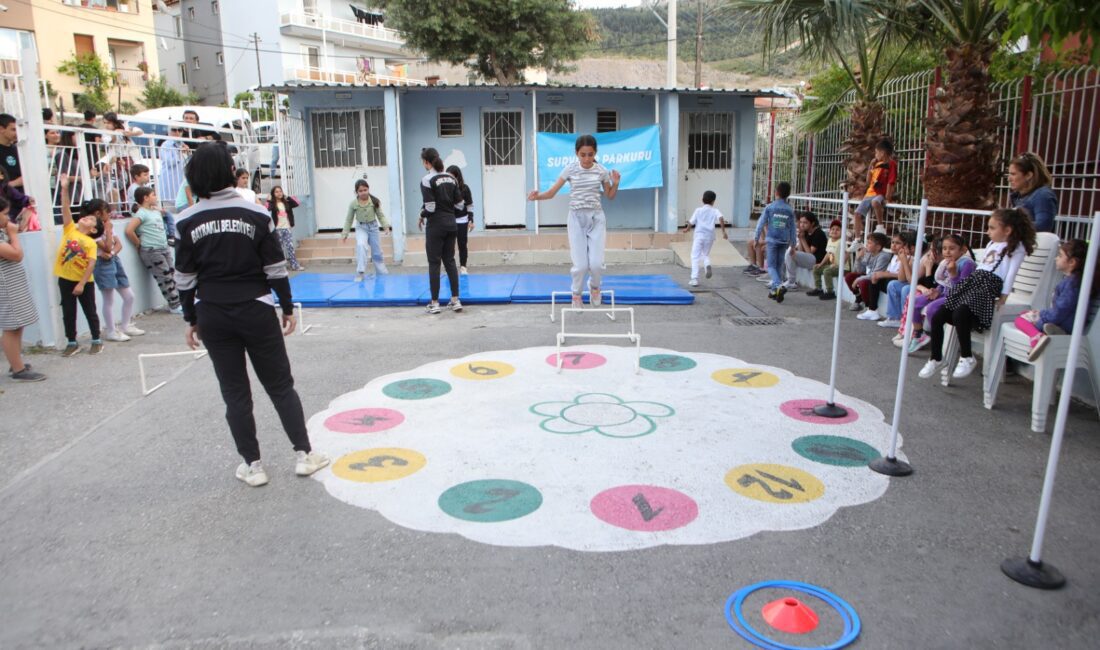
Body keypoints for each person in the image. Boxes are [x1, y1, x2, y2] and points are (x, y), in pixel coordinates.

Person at [174, 142, 329, 487]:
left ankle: (252, 465)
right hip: (256, 308)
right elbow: (274, 267)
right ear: (231, 172)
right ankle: (304, 455)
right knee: (280, 385)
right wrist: (287, 307)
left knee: (234, 392)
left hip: (212, 311)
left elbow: (184, 277)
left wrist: (190, 318)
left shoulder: (185, 220)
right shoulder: (257, 213)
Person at [920, 208, 1037, 380]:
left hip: (988, 284)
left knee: (961, 312)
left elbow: (1011, 273)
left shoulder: (1015, 248)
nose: (987, 231)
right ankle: (936, 358)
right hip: (974, 281)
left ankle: (967, 357)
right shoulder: (992, 244)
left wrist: (1003, 297)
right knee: (939, 316)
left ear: (1007, 230)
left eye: (992, 228)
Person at [528, 134, 621, 308]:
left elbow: (609, 196)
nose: (587, 159)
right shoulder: (570, 169)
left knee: (596, 264)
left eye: (590, 154)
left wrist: (615, 183)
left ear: (595, 153)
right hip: (576, 218)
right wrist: (537, 197)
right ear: (576, 153)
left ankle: (595, 287)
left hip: (596, 218)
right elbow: (552, 192)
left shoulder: (601, 170)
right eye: (583, 155)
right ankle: (576, 294)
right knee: (580, 265)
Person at [1011, 239, 1098, 361]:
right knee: (1027, 314)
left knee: (1020, 319)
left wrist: (1042, 317)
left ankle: (1036, 337)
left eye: (1060, 256)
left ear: (1072, 262)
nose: (1056, 258)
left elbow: (1060, 310)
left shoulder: (1072, 284)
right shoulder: (1074, 281)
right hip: (1064, 322)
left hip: (1063, 323)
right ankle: (1049, 330)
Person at [56, 176, 103, 357]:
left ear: (93, 230)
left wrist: (82, 283)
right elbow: (65, 208)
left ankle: (96, 339)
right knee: (69, 312)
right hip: (65, 279)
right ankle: (72, 341)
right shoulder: (70, 230)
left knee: (89, 310)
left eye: (91, 219)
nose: (85, 218)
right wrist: (64, 189)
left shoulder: (90, 243)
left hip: (84, 281)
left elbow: (91, 264)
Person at [0, 196, 45, 381]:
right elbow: (16, 254)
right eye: (4, 214)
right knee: (11, 326)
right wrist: (14, 234)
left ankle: (16, 361)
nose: (7, 218)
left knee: (18, 323)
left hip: (13, 282)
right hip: (5, 285)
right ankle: (18, 370)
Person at [906, 234, 975, 354]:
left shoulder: (967, 264)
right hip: (944, 293)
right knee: (914, 301)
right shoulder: (946, 262)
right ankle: (919, 335)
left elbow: (962, 289)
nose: (947, 252)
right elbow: (943, 283)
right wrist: (936, 290)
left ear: (962, 249)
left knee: (932, 308)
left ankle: (938, 340)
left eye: (952, 248)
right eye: (944, 248)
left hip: (957, 297)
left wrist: (953, 274)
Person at [419, 148, 464, 313]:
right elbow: (460, 205)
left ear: (427, 162)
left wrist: (421, 214)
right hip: (452, 224)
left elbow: (430, 207)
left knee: (434, 263)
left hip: (436, 226)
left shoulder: (426, 179)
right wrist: (448, 209)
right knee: (450, 261)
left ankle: (435, 303)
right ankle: (455, 300)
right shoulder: (451, 178)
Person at [125, 186, 182, 314]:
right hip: (151, 250)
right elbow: (129, 231)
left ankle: (178, 301)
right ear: (145, 198)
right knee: (164, 278)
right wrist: (138, 243)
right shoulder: (141, 213)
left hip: (163, 247)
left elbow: (165, 215)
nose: (155, 197)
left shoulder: (154, 212)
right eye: (153, 195)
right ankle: (174, 305)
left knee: (172, 274)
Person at [92, 204, 141, 342]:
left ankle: (125, 326)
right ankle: (111, 331)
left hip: (114, 261)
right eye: (107, 212)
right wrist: (107, 231)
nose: (110, 215)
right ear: (98, 213)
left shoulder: (108, 226)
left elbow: (117, 245)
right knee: (109, 299)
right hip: (101, 264)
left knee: (129, 296)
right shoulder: (94, 230)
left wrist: (112, 252)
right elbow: (107, 247)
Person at [857, 231, 912, 322]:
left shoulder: (908, 258)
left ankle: (897, 319)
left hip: (898, 282)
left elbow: (902, 277)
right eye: (893, 242)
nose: (893, 245)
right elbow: (888, 271)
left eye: (898, 243)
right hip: (892, 280)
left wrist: (885, 274)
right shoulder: (894, 257)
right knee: (874, 278)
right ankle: (872, 309)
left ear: (905, 246)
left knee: (890, 283)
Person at [342, 179, 390, 281]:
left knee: (377, 252)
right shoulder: (353, 204)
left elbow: (380, 215)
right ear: (356, 192)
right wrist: (345, 233)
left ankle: (381, 272)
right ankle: (360, 272)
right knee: (361, 245)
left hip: (373, 228)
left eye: (365, 190)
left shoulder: (374, 202)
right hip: (361, 228)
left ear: (368, 189)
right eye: (360, 191)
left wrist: (386, 226)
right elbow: (349, 219)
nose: (363, 192)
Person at [757, 181, 796, 302]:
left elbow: (760, 223)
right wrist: (793, 244)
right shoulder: (790, 209)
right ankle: (774, 291)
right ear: (788, 195)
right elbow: (792, 228)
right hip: (784, 241)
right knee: (779, 265)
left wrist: (756, 238)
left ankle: (779, 285)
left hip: (772, 240)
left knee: (771, 266)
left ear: (776, 193)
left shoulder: (770, 207)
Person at [851, 139, 897, 238]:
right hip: (869, 193)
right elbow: (868, 181)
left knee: (875, 202)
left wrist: (887, 197)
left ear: (882, 153)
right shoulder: (876, 164)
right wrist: (870, 167)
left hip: (880, 193)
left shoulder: (891, 164)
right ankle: (857, 239)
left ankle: (880, 226)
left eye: (876, 152)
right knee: (857, 214)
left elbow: (891, 181)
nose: (875, 155)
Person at [681, 190, 727, 287]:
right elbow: (721, 218)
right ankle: (707, 264)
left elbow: (691, 222)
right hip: (710, 236)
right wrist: (723, 232)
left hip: (699, 236)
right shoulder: (715, 210)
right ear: (713, 201)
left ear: (702, 200)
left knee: (695, 256)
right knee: (705, 254)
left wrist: (687, 229)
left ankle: (694, 279)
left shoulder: (698, 210)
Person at [1008, 152, 1058, 233]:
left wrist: (1009, 227)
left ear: (1028, 175)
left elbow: (1043, 226)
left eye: (1013, 174)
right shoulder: (1019, 196)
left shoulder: (1042, 195)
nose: (1009, 179)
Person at [843, 232, 892, 313]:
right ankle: (859, 299)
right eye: (867, 242)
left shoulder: (883, 256)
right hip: (869, 276)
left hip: (878, 279)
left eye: (869, 243)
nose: (867, 245)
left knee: (863, 282)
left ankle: (867, 305)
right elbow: (859, 271)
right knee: (849, 276)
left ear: (878, 247)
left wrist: (859, 279)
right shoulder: (869, 253)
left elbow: (875, 274)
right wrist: (858, 258)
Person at [784, 211, 827, 290]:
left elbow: (810, 254)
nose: (802, 225)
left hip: (817, 261)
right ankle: (790, 280)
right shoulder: (806, 232)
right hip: (809, 259)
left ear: (812, 223)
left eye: (805, 222)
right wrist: (800, 238)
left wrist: (802, 239)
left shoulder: (819, 233)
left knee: (790, 252)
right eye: (800, 222)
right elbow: (801, 251)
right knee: (790, 251)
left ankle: (791, 281)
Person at [446, 165, 475, 275]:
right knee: (449, 245)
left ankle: (463, 266)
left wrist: (471, 219)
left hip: (462, 220)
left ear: (457, 176)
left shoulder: (465, 188)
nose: (450, 179)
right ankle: (450, 267)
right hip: (449, 220)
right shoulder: (445, 188)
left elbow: (470, 205)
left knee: (462, 244)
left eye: (452, 176)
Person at [266, 186, 302, 271]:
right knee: (279, 248)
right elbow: (267, 208)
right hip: (278, 229)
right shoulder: (273, 204)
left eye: (280, 191)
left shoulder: (287, 202)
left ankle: (295, 265)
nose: (279, 193)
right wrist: (268, 200)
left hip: (287, 228)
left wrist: (287, 197)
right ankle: (280, 267)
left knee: (290, 247)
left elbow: (297, 204)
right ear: (273, 194)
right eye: (276, 192)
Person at [808, 219, 842, 299]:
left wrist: (838, 265)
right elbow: (828, 254)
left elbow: (847, 254)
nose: (834, 231)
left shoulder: (841, 241)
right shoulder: (830, 240)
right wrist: (821, 264)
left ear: (842, 232)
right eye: (833, 229)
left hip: (840, 267)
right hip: (832, 266)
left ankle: (830, 292)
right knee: (816, 268)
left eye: (838, 229)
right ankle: (819, 288)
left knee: (827, 271)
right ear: (830, 231)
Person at [0, 113, 23, 189]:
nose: (17, 133)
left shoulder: (19, 149)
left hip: (22, 197)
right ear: (1, 129)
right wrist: (11, 184)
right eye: (13, 129)